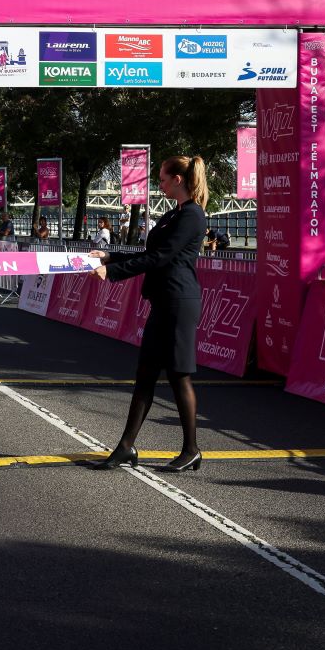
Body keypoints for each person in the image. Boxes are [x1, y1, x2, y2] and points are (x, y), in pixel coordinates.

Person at [89, 155, 209, 474]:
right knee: (145, 375)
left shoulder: (193, 216)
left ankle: (191, 449)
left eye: (163, 179)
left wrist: (112, 272)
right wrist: (110, 255)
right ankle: (125, 447)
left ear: (178, 180)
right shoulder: (175, 214)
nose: (160, 184)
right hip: (163, 300)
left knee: (179, 376)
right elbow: (150, 253)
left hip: (179, 301)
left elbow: (161, 257)